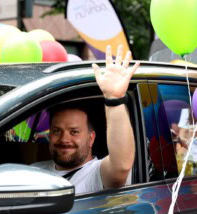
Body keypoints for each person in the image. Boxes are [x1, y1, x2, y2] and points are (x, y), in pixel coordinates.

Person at [33, 45, 140, 194]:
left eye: (74, 132)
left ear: (91, 138)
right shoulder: (34, 171)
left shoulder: (95, 174)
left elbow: (121, 165)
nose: (64, 139)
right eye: (57, 131)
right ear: (49, 135)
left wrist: (114, 98)